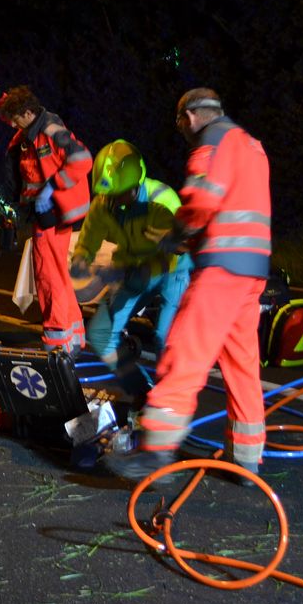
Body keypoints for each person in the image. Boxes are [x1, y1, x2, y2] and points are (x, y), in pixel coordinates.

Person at [105, 88, 272, 484]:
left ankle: (155, 454)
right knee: (241, 365)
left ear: (191, 116)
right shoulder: (251, 144)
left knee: (184, 351)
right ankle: (247, 460)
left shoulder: (211, 142)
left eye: (181, 123)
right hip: (254, 270)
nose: (182, 131)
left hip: (222, 266)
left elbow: (200, 202)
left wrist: (174, 236)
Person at [0, 52, 92, 354]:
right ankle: (72, 333)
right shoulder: (32, 127)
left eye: (13, 119)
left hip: (51, 214)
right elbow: (2, 104)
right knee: (57, 274)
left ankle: (56, 337)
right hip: (49, 213)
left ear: (25, 114)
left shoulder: (50, 131)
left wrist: (50, 189)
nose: (8, 124)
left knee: (47, 276)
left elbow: (82, 159)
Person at [70, 139, 193, 425]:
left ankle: (169, 405)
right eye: (108, 196)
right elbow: (87, 243)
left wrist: (165, 246)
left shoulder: (163, 200)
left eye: (119, 195)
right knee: (100, 334)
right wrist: (81, 262)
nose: (113, 203)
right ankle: (143, 393)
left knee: (166, 337)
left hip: (171, 270)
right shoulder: (105, 202)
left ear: (136, 185)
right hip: (135, 269)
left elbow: (185, 245)